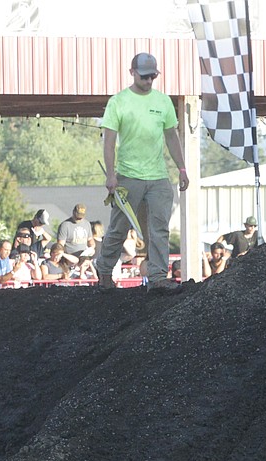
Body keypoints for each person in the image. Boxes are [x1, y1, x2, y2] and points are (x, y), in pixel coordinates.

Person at [95, 51, 189, 295]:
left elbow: (171, 136)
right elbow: (109, 141)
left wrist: (181, 168)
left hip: (158, 177)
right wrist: (111, 176)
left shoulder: (163, 101)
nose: (149, 81)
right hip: (128, 176)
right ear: (132, 73)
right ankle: (104, 271)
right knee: (119, 227)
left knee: (159, 227)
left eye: (153, 77)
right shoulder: (119, 102)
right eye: (145, 77)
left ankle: (158, 276)